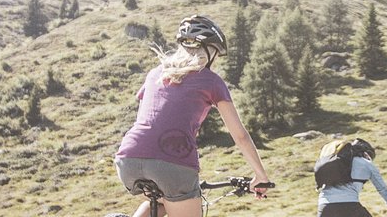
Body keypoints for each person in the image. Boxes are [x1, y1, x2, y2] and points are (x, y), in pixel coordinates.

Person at [114, 15, 271, 217]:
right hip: (173, 163)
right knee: (175, 191)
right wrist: (260, 176)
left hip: (128, 159)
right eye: (216, 52)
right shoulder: (211, 81)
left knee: (161, 202)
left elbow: (147, 118)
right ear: (208, 50)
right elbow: (240, 136)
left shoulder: (155, 73)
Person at [317, 138, 387, 217]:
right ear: (366, 154)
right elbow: (386, 194)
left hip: (324, 207)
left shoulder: (336, 162)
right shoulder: (366, 163)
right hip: (349, 206)